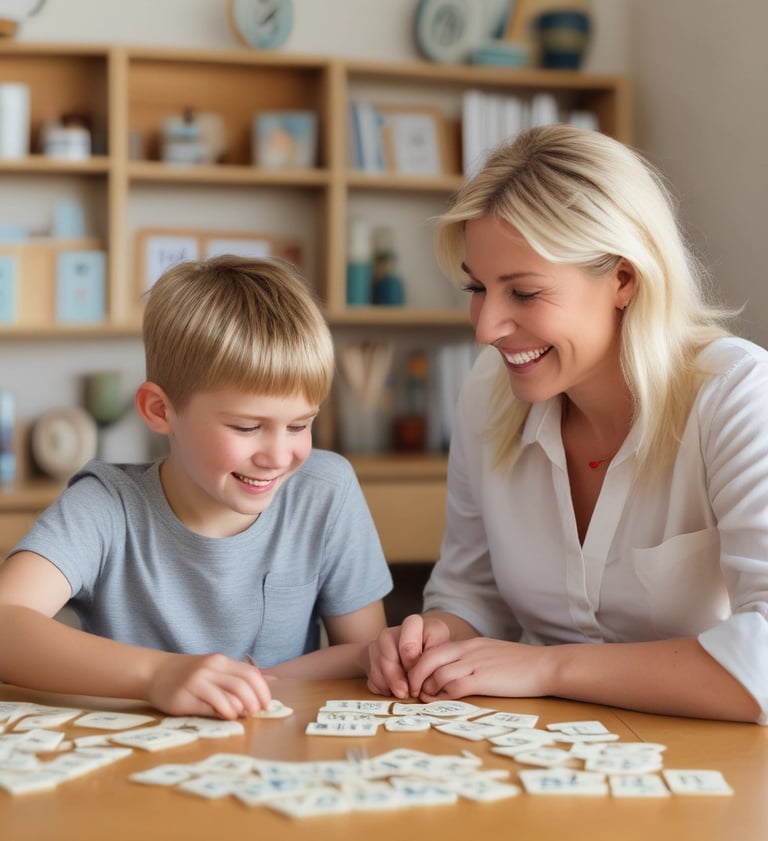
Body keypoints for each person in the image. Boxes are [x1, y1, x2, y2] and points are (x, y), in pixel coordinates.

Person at [366, 124, 768, 724]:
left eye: (524, 293)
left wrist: (548, 667)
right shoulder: (488, 390)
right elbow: (470, 593)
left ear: (624, 280)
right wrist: (429, 642)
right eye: (478, 287)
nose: (486, 327)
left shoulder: (736, 394)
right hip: (532, 754)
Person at [0, 255, 392, 719]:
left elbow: (366, 658)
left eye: (300, 424)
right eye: (247, 427)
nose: (278, 455)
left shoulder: (326, 489)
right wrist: (158, 675)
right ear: (160, 411)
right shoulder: (105, 505)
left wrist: (253, 684)